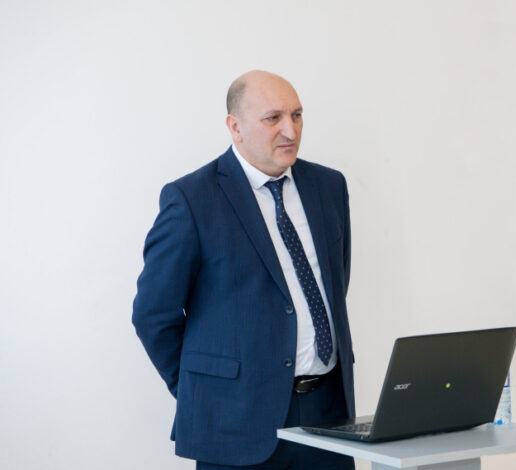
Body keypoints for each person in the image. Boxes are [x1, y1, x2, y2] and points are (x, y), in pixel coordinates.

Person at [132, 70, 355, 470]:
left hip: (327, 415)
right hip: (234, 421)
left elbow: (334, 282)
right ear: (235, 127)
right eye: (273, 118)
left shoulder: (329, 186)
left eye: (297, 115)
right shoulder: (191, 199)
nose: (290, 130)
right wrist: (205, 390)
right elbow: (153, 315)